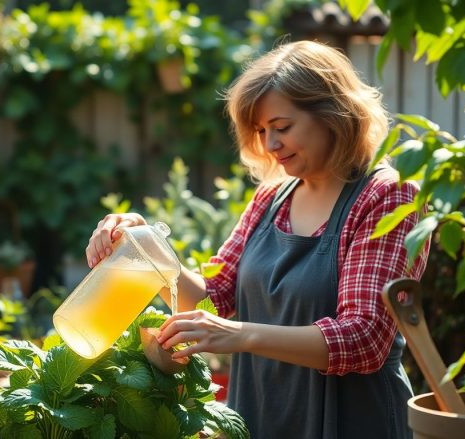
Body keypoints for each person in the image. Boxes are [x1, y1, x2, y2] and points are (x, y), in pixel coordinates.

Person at [85, 40, 429, 438]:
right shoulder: (273, 196)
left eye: (282, 127)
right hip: (263, 417)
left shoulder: (386, 196)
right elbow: (215, 295)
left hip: (351, 422)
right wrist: (143, 245)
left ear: (334, 114)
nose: (270, 145)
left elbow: (363, 338)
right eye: (262, 130)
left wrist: (238, 335)